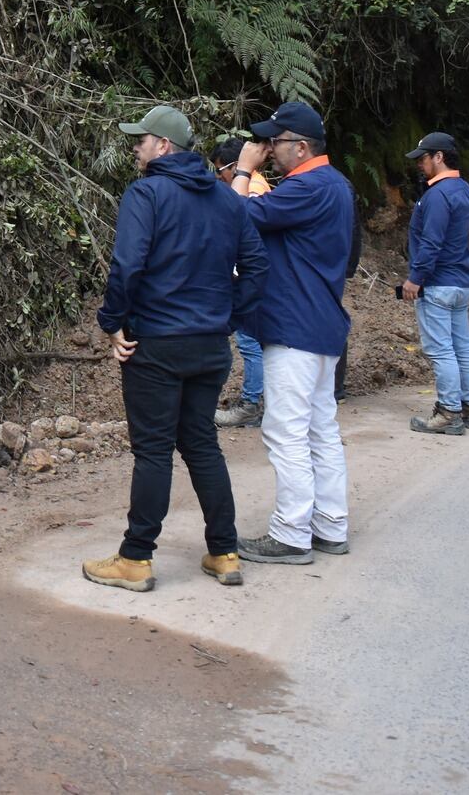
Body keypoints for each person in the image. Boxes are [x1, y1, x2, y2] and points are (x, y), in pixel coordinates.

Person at [83, 105, 269, 593]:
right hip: (210, 346)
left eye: (141, 139)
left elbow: (127, 266)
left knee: (153, 451)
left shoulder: (146, 194)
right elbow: (256, 266)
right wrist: (228, 318)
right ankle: (224, 553)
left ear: (163, 146)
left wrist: (112, 322)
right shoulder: (228, 199)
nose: (135, 147)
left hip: (157, 345)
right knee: (202, 443)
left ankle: (135, 558)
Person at [231, 101, 356, 565]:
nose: (267, 148)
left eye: (275, 142)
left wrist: (243, 170)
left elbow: (235, 217)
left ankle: (291, 534)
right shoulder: (335, 184)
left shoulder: (306, 187)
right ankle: (330, 525)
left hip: (294, 327)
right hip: (321, 324)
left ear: (301, 147)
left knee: (285, 432)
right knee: (320, 430)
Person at [403, 132, 469, 435]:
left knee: (441, 350)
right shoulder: (463, 188)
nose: (419, 164)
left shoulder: (437, 195)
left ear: (439, 157)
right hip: (461, 281)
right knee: (463, 346)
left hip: (437, 283)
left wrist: (415, 279)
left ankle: (449, 412)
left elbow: (431, 243)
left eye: (423, 158)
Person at [211, 138, 270, 429]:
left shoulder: (252, 189)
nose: (218, 176)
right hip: (252, 276)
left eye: (220, 170)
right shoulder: (255, 185)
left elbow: (245, 237)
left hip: (249, 278)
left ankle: (251, 404)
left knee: (249, 343)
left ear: (235, 167)